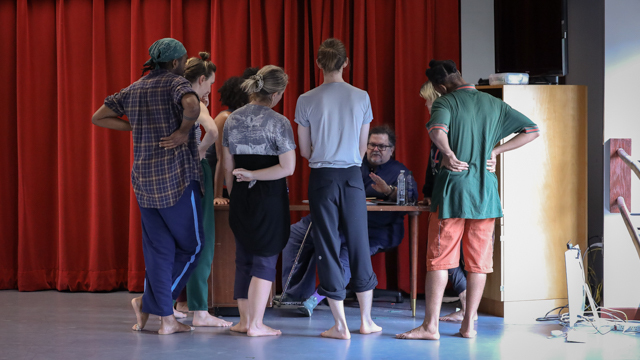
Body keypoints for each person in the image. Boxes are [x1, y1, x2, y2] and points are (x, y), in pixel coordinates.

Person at [397, 60, 540, 340]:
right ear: (460, 75)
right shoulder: (493, 103)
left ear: (439, 86)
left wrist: (448, 154)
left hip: (452, 194)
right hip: (485, 195)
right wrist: (497, 151)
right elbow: (532, 131)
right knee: (478, 264)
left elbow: (437, 132)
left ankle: (430, 327)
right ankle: (469, 327)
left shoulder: (445, 102)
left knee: (439, 261)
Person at [91, 38, 204, 335]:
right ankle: (153, 307)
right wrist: (182, 132)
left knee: (159, 251)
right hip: (177, 179)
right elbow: (192, 104)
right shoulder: (176, 83)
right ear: (176, 62)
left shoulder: (135, 87)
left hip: (144, 181)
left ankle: (166, 320)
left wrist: (133, 126)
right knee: (194, 246)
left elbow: (99, 116)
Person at [281, 125, 418, 317]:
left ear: (391, 150)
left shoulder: (400, 171)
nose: (376, 149)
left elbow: (411, 198)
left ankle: (315, 300)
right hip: (337, 223)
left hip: (374, 230)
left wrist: (388, 191)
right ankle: (294, 296)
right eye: (371, 145)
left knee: (344, 257)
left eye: (382, 146)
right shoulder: (352, 165)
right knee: (294, 235)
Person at [296, 38, 381, 340]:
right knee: (359, 242)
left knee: (328, 246)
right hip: (352, 177)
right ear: (346, 63)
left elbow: (304, 150)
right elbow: (362, 148)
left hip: (322, 177)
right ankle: (367, 321)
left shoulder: (306, 99)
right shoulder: (361, 97)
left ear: (318, 64)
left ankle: (340, 325)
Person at [222, 65, 296, 337]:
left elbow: (227, 164)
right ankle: (256, 325)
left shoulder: (231, 119)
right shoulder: (279, 122)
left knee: (244, 258)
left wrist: (234, 192)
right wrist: (255, 174)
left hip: (240, 193)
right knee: (265, 259)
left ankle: (244, 322)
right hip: (269, 197)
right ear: (276, 94)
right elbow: (287, 168)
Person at [171, 52, 232, 328]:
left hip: (172, 175)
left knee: (176, 241)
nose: (210, 90)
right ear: (202, 79)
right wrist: (200, 151)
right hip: (196, 173)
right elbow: (213, 132)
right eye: (210, 83)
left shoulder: (171, 98)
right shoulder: (196, 101)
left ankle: (173, 302)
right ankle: (200, 310)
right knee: (202, 240)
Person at [208, 67, 259, 206]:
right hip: (212, 178)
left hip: (229, 178)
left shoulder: (242, 118)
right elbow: (221, 158)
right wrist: (217, 195)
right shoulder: (226, 117)